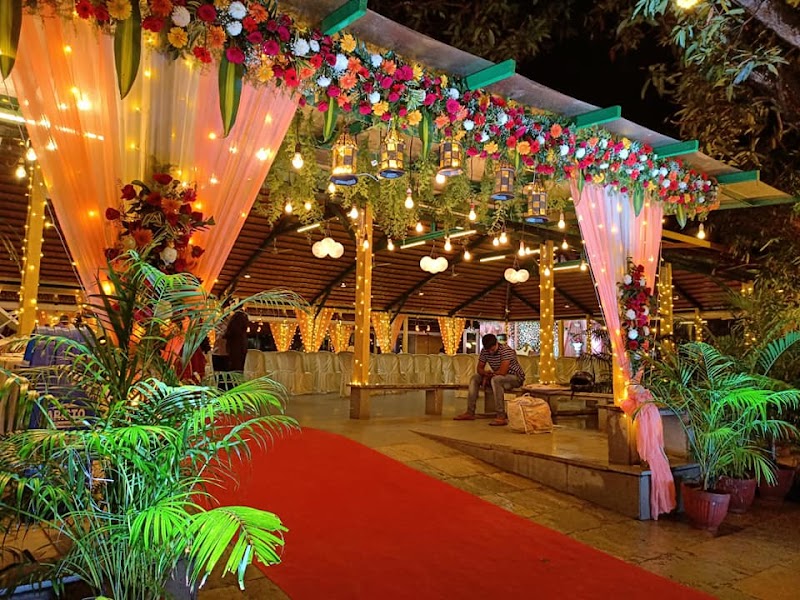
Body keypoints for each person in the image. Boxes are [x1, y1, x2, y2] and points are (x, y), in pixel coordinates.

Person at [454, 333, 525, 426]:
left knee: (496, 380)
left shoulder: (506, 350)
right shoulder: (485, 351)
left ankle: (501, 416)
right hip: (497, 376)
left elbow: (503, 372)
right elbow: (479, 368)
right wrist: (484, 374)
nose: (490, 352)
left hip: (515, 378)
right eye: (488, 350)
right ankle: (470, 412)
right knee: (475, 378)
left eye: (492, 349)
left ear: (496, 343)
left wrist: (488, 377)